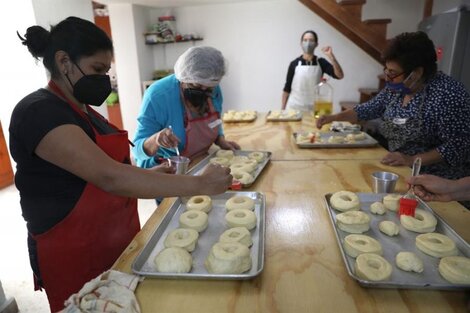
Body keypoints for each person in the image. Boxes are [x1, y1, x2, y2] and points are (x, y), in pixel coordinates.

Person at [11, 17, 232, 312]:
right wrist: (200, 183)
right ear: (64, 62)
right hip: (74, 250)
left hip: (115, 237)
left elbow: (104, 170)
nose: (105, 79)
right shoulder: (39, 112)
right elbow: (108, 176)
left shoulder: (85, 111)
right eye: (98, 70)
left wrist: (147, 173)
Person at [317, 31, 470, 180]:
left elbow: (458, 145)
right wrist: (333, 117)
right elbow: (368, 109)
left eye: (393, 73)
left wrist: (412, 159)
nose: (387, 77)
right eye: (386, 70)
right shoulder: (396, 89)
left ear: (416, 73)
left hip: (438, 182)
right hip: (401, 171)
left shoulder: (449, 95)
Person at [132, 46, 240, 169]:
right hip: (166, 168)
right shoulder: (158, 96)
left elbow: (215, 121)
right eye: (197, 86)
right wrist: (156, 139)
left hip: (200, 160)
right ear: (183, 78)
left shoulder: (214, 89)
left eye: (209, 88)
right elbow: (136, 151)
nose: (204, 92)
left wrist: (220, 140)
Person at [282, 30, 344, 111]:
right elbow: (287, 89)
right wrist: (282, 110)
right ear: (301, 43)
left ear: (316, 44)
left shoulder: (321, 62)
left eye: (311, 40)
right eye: (305, 40)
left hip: (314, 108)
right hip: (294, 108)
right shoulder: (294, 64)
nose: (307, 43)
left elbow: (339, 75)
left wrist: (331, 57)